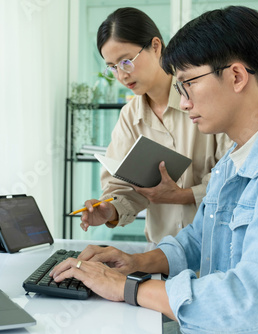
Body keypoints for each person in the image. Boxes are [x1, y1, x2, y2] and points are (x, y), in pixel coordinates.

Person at [51, 6, 258, 332]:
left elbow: (250, 302)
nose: (184, 102)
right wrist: (134, 263)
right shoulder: (235, 155)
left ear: (237, 76)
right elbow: (198, 240)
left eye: (188, 84)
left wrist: (127, 287)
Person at [81, 7, 232, 244]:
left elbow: (234, 176)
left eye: (126, 61)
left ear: (156, 46)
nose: (121, 75)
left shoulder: (202, 98)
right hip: (162, 257)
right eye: (112, 67)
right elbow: (123, 188)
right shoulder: (130, 117)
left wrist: (183, 196)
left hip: (215, 252)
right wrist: (110, 210)